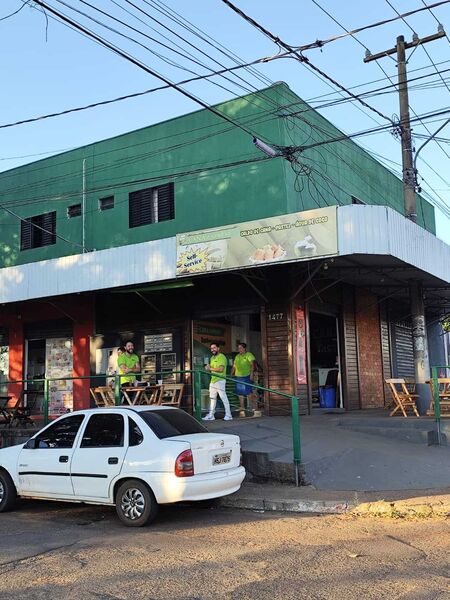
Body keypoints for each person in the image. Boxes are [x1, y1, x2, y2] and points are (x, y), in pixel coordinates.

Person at [202, 343, 233, 421]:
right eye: (211, 348)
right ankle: (211, 415)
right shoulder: (212, 357)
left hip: (220, 380)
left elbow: (221, 369)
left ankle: (229, 415)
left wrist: (210, 369)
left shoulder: (222, 357)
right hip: (213, 380)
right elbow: (213, 369)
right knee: (212, 398)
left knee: (223, 397)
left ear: (218, 348)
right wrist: (208, 367)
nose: (213, 349)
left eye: (214, 348)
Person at [231, 342, 257, 416]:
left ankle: (254, 407)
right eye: (238, 348)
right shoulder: (237, 356)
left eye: (240, 348)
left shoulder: (249, 355)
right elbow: (234, 366)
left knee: (248, 392)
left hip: (247, 376)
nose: (239, 349)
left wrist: (251, 374)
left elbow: (252, 365)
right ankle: (242, 407)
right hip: (238, 376)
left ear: (244, 348)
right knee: (240, 392)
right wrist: (231, 374)